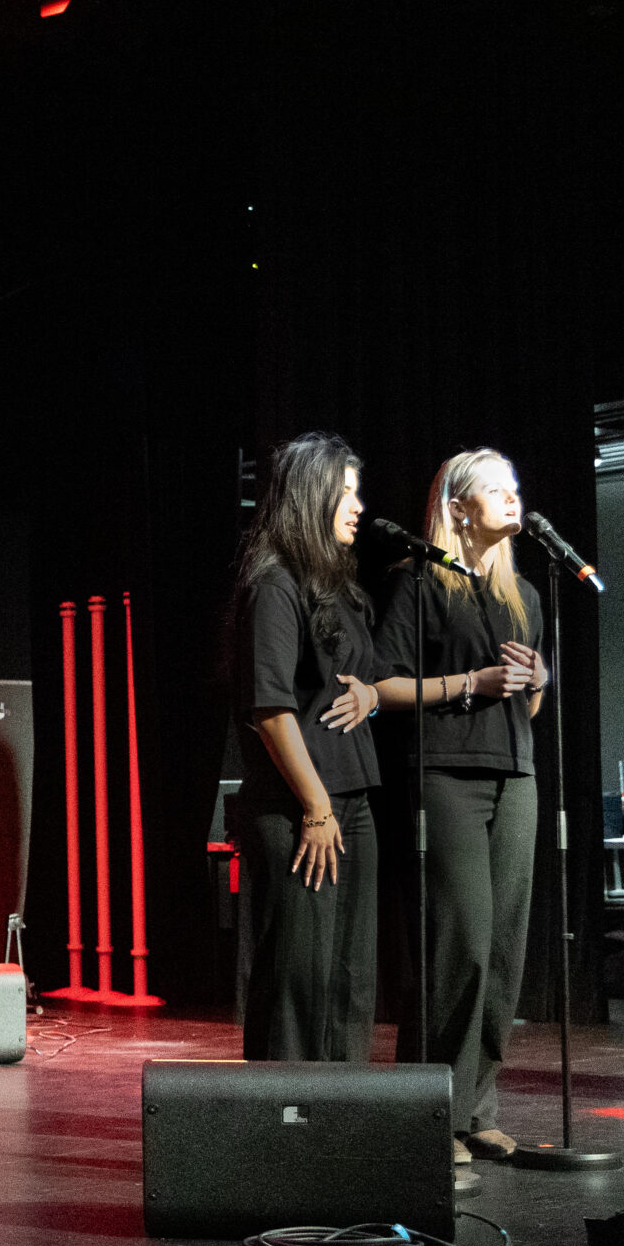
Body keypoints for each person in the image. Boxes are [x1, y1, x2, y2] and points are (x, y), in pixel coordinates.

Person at [371, 449, 547, 1166]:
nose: (512, 498)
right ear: (458, 507)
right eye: (495, 490)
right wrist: (471, 682)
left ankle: (477, 1108)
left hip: (516, 776)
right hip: (445, 775)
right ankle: (429, 1113)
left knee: (504, 951)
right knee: (460, 947)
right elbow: (382, 686)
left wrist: (540, 679)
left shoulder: (524, 594)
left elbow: (527, 704)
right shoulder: (418, 583)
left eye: (515, 488)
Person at [225, 434, 385, 1064]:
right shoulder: (274, 585)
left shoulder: (339, 588)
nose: (358, 506)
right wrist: (316, 807)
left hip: (352, 796)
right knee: (300, 977)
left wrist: (371, 696)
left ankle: (343, 1107)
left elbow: (363, 679)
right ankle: (285, 1112)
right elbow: (270, 710)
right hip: (299, 806)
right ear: (311, 496)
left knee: (349, 976)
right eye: (345, 492)